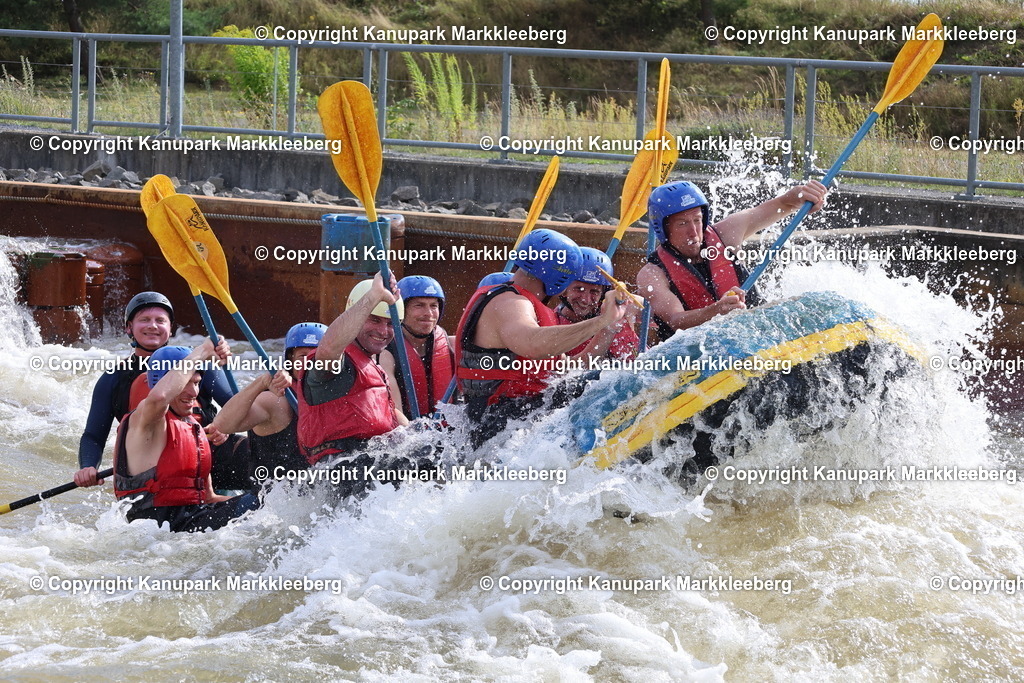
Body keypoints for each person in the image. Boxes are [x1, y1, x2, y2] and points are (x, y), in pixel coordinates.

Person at [455, 229, 634, 448]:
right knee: (604, 383)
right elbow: (533, 343)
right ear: (559, 276)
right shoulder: (510, 302)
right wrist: (600, 321)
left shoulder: (523, 303)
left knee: (609, 376)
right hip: (497, 421)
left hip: (512, 417)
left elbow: (570, 367)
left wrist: (609, 326)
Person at [74, 291, 248, 490]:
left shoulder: (197, 362)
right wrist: (88, 466)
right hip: (154, 470)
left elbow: (236, 403)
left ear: (170, 328)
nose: (153, 326)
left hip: (206, 455)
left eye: (160, 320)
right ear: (129, 328)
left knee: (261, 459)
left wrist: (223, 426)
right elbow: (94, 436)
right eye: (144, 320)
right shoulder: (113, 378)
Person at [636, 179, 828, 342]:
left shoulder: (726, 233)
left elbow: (784, 203)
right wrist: (716, 310)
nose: (694, 232)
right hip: (698, 355)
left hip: (758, 336)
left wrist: (800, 196)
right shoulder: (652, 274)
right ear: (663, 229)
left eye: (697, 220)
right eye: (682, 224)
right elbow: (676, 320)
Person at [113, 342, 260, 532]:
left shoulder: (193, 427)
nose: (194, 392)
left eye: (197, 383)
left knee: (267, 500)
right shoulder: (145, 419)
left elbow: (210, 499)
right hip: (159, 528)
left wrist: (265, 507)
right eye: (186, 383)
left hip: (192, 521)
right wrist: (202, 351)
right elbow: (159, 397)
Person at [295, 273, 417, 498]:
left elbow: (395, 422)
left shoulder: (372, 367)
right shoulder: (337, 367)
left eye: (391, 324)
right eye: (374, 320)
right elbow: (329, 349)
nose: (383, 331)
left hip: (372, 467)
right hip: (342, 472)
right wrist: (373, 296)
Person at [212, 323, 326, 479]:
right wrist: (261, 382)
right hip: (270, 498)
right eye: (302, 356)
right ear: (290, 361)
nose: (310, 363)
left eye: (317, 356)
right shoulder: (277, 400)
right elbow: (223, 425)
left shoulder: (340, 396)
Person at [380, 276, 454, 417]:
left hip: (447, 433)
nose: (428, 314)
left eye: (434, 306)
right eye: (419, 305)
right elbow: (395, 413)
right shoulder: (385, 353)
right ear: (401, 309)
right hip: (407, 432)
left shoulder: (452, 345)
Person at [555, 247, 640, 361]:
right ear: (564, 289)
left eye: (594, 291)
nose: (586, 300)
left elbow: (659, 315)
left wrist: (634, 301)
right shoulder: (552, 324)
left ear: (603, 293)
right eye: (579, 289)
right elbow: (566, 370)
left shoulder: (620, 307)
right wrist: (608, 326)